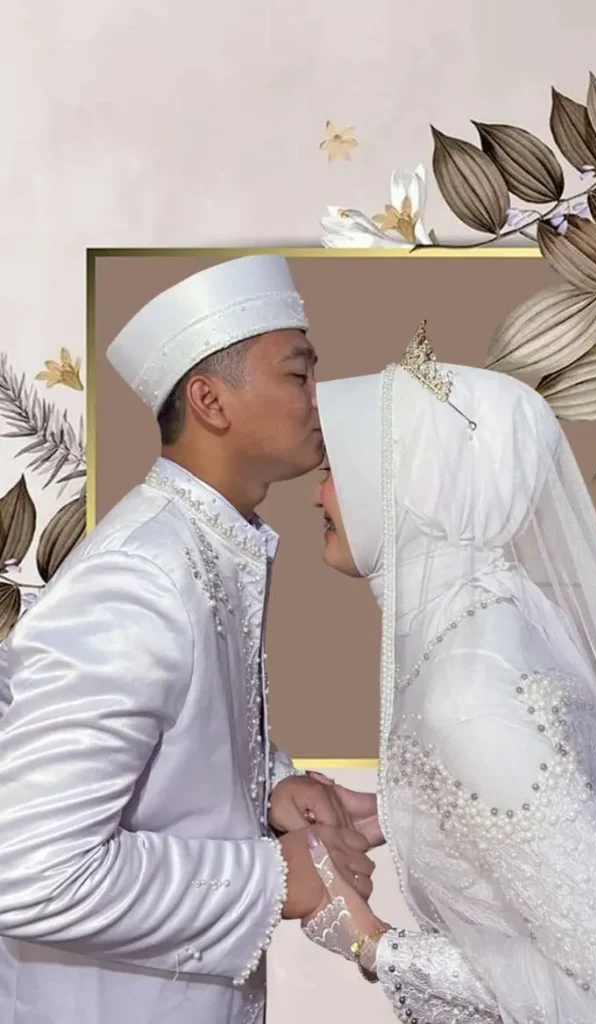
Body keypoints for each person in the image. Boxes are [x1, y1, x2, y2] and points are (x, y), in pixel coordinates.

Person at [0, 255, 380, 1024]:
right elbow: (27, 872)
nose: (320, 397)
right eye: (298, 374)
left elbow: (171, 740)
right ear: (210, 401)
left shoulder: (210, 545)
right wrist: (275, 878)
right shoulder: (140, 576)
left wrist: (271, 788)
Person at [298, 321, 596, 1023]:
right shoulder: (485, 626)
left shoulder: (468, 695)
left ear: (418, 486)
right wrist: (397, 812)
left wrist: (371, 942)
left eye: (337, 468)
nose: (319, 494)